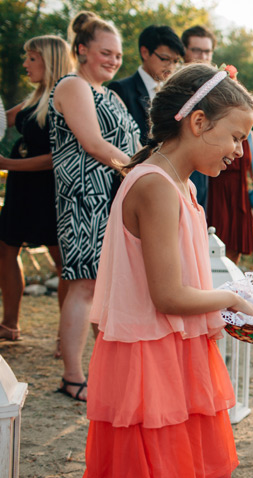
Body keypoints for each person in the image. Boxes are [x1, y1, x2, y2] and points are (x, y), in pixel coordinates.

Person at [81, 62, 253, 478]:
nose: (239, 153)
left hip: (184, 352)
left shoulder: (183, 187)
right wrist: (233, 300)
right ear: (198, 122)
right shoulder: (156, 186)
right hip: (150, 360)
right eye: (236, 137)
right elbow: (166, 296)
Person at [49, 11, 140, 402]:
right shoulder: (72, 86)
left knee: (108, 287)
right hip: (85, 198)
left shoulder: (112, 94)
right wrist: (141, 172)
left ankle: (104, 373)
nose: (114, 60)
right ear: (82, 50)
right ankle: (72, 376)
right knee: (84, 285)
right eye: (106, 52)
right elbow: (94, 144)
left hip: (115, 200)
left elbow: (135, 144)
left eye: (118, 55)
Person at [0, 35, 72, 342]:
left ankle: (64, 335)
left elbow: (58, 158)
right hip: (20, 188)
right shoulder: (34, 97)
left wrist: (6, 163)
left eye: (31, 58)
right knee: (5, 249)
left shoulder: (64, 96)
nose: (25, 64)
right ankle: (9, 324)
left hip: (46, 190)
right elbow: (5, 119)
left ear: (49, 60)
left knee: (61, 262)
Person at [205, 124, 253, 263]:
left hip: (240, 197)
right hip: (217, 194)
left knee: (236, 248)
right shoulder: (219, 130)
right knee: (214, 242)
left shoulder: (250, 136)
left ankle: (231, 282)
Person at [108, 25, 184, 145]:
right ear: (145, 52)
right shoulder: (121, 90)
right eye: (165, 59)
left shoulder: (175, 92)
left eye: (175, 61)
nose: (171, 66)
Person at [181, 25, 216, 211]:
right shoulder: (174, 85)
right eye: (196, 50)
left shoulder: (217, 87)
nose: (202, 56)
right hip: (178, 166)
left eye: (207, 51)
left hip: (206, 170)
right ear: (184, 51)